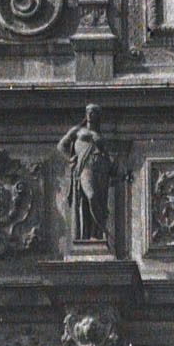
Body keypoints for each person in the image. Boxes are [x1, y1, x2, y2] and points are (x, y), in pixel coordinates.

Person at [56, 105, 116, 249]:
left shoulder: (99, 135)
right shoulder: (78, 130)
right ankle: (100, 228)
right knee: (91, 196)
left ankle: (96, 234)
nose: (90, 114)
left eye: (94, 112)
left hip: (100, 168)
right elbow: (61, 145)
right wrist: (70, 159)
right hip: (85, 168)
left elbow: (107, 156)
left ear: (98, 116)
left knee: (100, 200)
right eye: (88, 111)